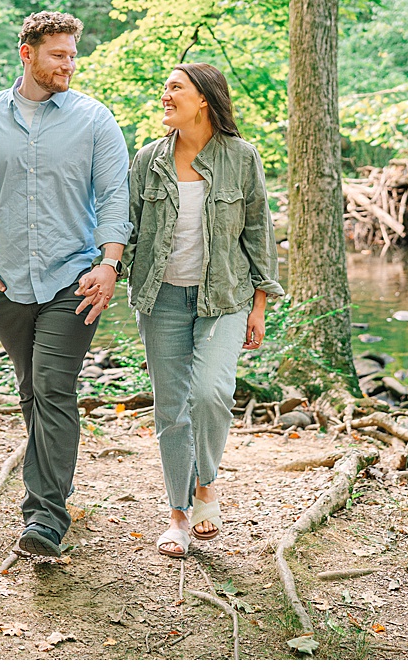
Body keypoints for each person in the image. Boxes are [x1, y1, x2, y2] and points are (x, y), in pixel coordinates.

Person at [0, 11, 132, 558]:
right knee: (32, 389)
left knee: (53, 386)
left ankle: (45, 518)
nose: (69, 65)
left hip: (74, 277)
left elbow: (115, 196)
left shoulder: (95, 120)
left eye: (73, 55)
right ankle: (51, 484)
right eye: (58, 55)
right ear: (27, 53)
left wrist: (109, 263)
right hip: (4, 280)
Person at [123, 63, 285, 556]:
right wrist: (105, 271)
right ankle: (178, 517)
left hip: (225, 299)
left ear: (204, 100)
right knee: (171, 409)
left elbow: (258, 232)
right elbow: (129, 229)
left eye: (175, 87)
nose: (165, 95)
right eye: (165, 87)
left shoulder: (241, 157)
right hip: (161, 299)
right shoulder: (147, 160)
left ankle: (205, 485)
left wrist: (259, 305)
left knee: (211, 394)